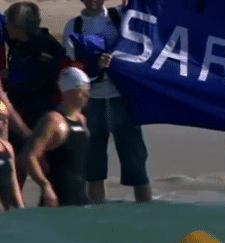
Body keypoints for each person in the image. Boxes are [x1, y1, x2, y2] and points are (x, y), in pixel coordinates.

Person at [63, 0, 151, 203]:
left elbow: (143, 37)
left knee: (136, 164)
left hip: (123, 100)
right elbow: (74, 66)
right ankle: (97, 214)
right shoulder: (73, 26)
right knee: (94, 167)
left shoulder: (120, 17)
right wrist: (96, 65)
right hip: (92, 101)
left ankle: (147, 213)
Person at [3, 2, 67, 188]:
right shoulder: (16, 42)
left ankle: (48, 204)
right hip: (19, 110)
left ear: (20, 25)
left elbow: (49, 78)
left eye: (9, 23)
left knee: (45, 166)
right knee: (17, 168)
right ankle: (16, 208)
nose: (6, 27)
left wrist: (12, 78)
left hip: (40, 114)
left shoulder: (46, 45)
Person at [22, 67, 90, 207]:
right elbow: (29, 156)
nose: (87, 95)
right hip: (58, 197)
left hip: (81, 194)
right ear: (67, 91)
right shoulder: (53, 120)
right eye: (82, 91)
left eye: (88, 90)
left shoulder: (82, 120)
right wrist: (45, 186)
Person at [0, 99, 24, 212]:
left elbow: (14, 183)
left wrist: (21, 208)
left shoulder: (7, 147)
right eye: (1, 117)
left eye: (7, 118)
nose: (6, 121)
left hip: (7, 210)